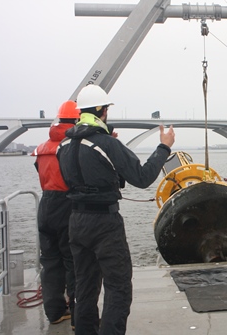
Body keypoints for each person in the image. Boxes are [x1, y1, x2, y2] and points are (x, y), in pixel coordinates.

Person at [56, 84, 175, 335]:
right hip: (104, 224)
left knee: (85, 287)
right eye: (107, 108)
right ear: (101, 110)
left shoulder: (64, 146)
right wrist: (163, 147)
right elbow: (141, 177)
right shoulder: (107, 144)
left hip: (76, 222)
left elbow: (77, 178)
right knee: (118, 287)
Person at [32, 100, 79, 328]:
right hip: (66, 205)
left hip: (46, 205)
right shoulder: (72, 147)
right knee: (73, 261)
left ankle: (55, 312)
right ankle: (78, 313)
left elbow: (39, 170)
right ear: (77, 120)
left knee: (50, 262)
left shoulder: (42, 148)